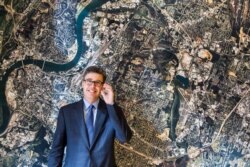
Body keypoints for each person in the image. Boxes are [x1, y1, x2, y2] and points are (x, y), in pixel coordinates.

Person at [48, 66, 133, 167]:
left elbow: (124, 138)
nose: (92, 86)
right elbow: (57, 148)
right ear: (83, 83)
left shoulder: (112, 110)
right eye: (89, 81)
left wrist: (111, 104)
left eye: (97, 82)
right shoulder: (67, 112)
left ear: (102, 86)